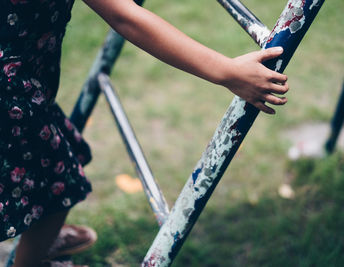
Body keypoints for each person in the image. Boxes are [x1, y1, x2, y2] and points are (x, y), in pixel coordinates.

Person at [0, 0, 289, 266]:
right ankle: (30, 260)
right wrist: (227, 71)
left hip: (25, 85)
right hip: (11, 95)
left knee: (48, 170)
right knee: (57, 183)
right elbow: (126, 16)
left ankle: (37, 245)